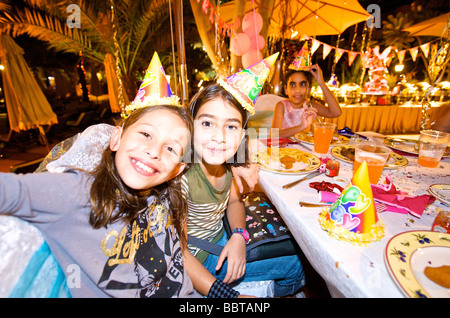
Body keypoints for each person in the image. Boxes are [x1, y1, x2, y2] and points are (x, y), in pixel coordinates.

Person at [0, 105, 197, 298]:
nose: (154, 151)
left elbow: (179, 268)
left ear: (177, 171)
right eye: (146, 134)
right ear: (116, 139)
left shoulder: (165, 197)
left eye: (170, 148)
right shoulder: (78, 192)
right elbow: (10, 190)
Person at [182, 83, 305, 297]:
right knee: (297, 265)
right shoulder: (182, 178)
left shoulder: (225, 163)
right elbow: (177, 252)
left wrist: (239, 235)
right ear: (190, 126)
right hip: (200, 260)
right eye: (208, 123)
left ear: (241, 135)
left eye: (231, 126)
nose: (219, 136)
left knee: (297, 248)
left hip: (225, 236)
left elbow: (234, 201)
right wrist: (227, 296)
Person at [271, 64, 342, 138]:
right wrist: (302, 127)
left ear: (309, 89)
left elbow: (336, 113)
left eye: (302, 84)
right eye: (292, 85)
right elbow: (274, 135)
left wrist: (321, 83)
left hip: (304, 148)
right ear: (286, 89)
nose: (297, 90)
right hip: (283, 148)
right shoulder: (281, 106)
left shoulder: (309, 105)